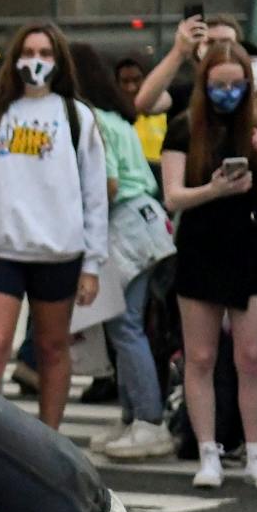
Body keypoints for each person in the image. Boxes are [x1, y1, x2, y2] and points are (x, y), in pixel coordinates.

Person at [0, 24, 108, 431]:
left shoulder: (77, 116)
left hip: (60, 253)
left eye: (46, 53)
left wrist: (92, 263)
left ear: (59, 61)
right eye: (29, 51)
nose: (36, 61)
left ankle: (48, 442)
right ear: (15, 58)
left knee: (53, 349)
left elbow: (95, 195)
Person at [161, 40, 257, 489]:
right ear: (204, 84)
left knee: (252, 355)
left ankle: (256, 453)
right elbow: (173, 196)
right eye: (219, 85)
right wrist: (215, 189)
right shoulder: (183, 129)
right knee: (201, 356)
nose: (228, 94)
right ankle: (208, 452)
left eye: (237, 85)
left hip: (249, 245)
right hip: (200, 247)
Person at [69, 43, 174, 460]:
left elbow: (107, 185)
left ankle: (147, 419)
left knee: (125, 326)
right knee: (128, 324)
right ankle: (136, 417)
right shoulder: (114, 116)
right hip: (144, 221)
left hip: (124, 223)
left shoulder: (91, 119)